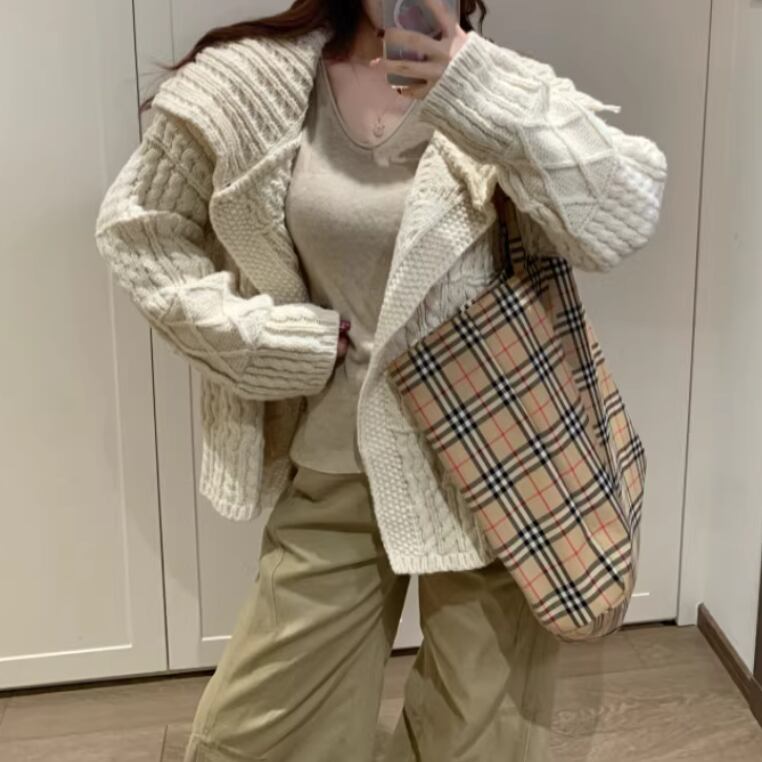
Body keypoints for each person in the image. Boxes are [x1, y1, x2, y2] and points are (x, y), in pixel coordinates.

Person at [94, 1, 668, 760]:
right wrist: (272, 342)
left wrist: (472, 83)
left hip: (497, 471)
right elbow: (140, 233)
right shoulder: (256, 81)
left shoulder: (499, 81)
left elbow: (627, 210)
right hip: (340, 462)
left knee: (481, 740)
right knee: (258, 734)